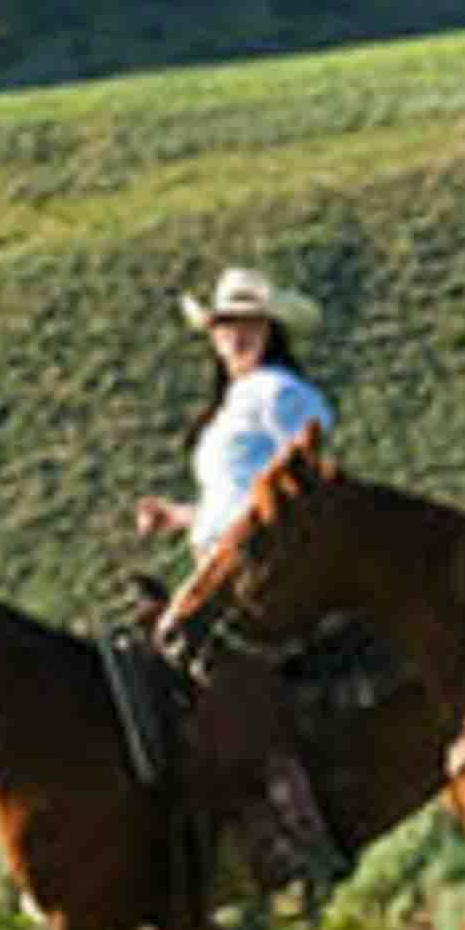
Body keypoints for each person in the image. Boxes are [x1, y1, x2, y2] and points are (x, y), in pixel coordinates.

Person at [129, 265, 347, 892]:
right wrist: (179, 516)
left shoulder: (280, 391)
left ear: (271, 330)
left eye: (248, 325)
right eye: (226, 326)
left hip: (261, 561)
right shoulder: (238, 401)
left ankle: (301, 829)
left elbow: (305, 473)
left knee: (224, 673)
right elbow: (234, 493)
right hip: (221, 556)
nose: (234, 336)